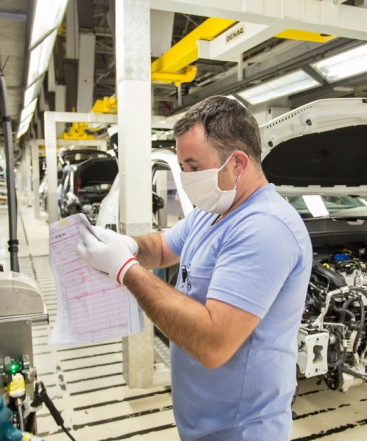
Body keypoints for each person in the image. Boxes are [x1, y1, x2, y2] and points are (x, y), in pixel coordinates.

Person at [77, 96, 313, 441]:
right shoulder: (214, 209)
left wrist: (125, 269)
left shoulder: (265, 228)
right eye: (182, 167)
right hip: (204, 421)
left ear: (237, 163)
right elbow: (162, 248)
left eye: (193, 166)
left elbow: (213, 344)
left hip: (242, 428)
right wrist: (128, 245)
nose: (186, 178)